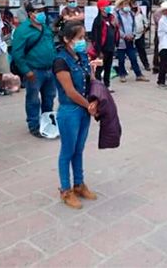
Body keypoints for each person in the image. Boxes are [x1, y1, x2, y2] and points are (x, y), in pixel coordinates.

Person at [53, 21, 101, 209]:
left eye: (84, 37)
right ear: (67, 39)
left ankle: (79, 184)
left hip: (84, 109)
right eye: (79, 38)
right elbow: (70, 91)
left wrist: (95, 99)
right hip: (70, 111)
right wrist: (89, 105)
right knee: (67, 151)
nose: (83, 42)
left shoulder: (81, 56)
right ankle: (66, 190)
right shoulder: (60, 61)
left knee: (79, 149)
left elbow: (91, 79)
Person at [12, 0, 57, 138]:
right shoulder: (22, 30)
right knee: (33, 99)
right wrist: (27, 71)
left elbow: (52, 45)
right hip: (34, 70)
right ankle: (33, 124)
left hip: (50, 69)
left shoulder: (45, 27)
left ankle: (47, 121)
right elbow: (17, 53)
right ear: (30, 14)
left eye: (43, 10)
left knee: (49, 97)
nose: (42, 14)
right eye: (38, 11)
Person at [114, 0, 149, 83]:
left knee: (133, 58)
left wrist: (133, 34)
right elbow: (117, 28)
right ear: (121, 5)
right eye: (125, 4)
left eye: (127, 4)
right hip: (122, 41)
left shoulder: (131, 14)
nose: (126, 6)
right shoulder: (117, 15)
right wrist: (124, 36)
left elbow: (134, 25)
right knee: (121, 59)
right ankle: (122, 75)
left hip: (131, 40)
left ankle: (139, 75)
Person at [91, 0, 119, 92]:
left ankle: (107, 85)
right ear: (101, 8)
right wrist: (99, 51)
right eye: (106, 6)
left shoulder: (111, 17)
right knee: (99, 69)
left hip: (111, 47)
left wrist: (115, 26)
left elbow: (115, 31)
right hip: (102, 49)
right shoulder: (98, 20)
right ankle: (98, 87)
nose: (108, 7)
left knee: (108, 67)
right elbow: (95, 37)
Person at [132, 0, 151, 71]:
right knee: (132, 52)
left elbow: (146, 24)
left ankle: (146, 65)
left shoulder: (141, 15)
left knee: (141, 51)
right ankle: (133, 64)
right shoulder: (130, 15)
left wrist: (144, 31)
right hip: (132, 36)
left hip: (140, 36)